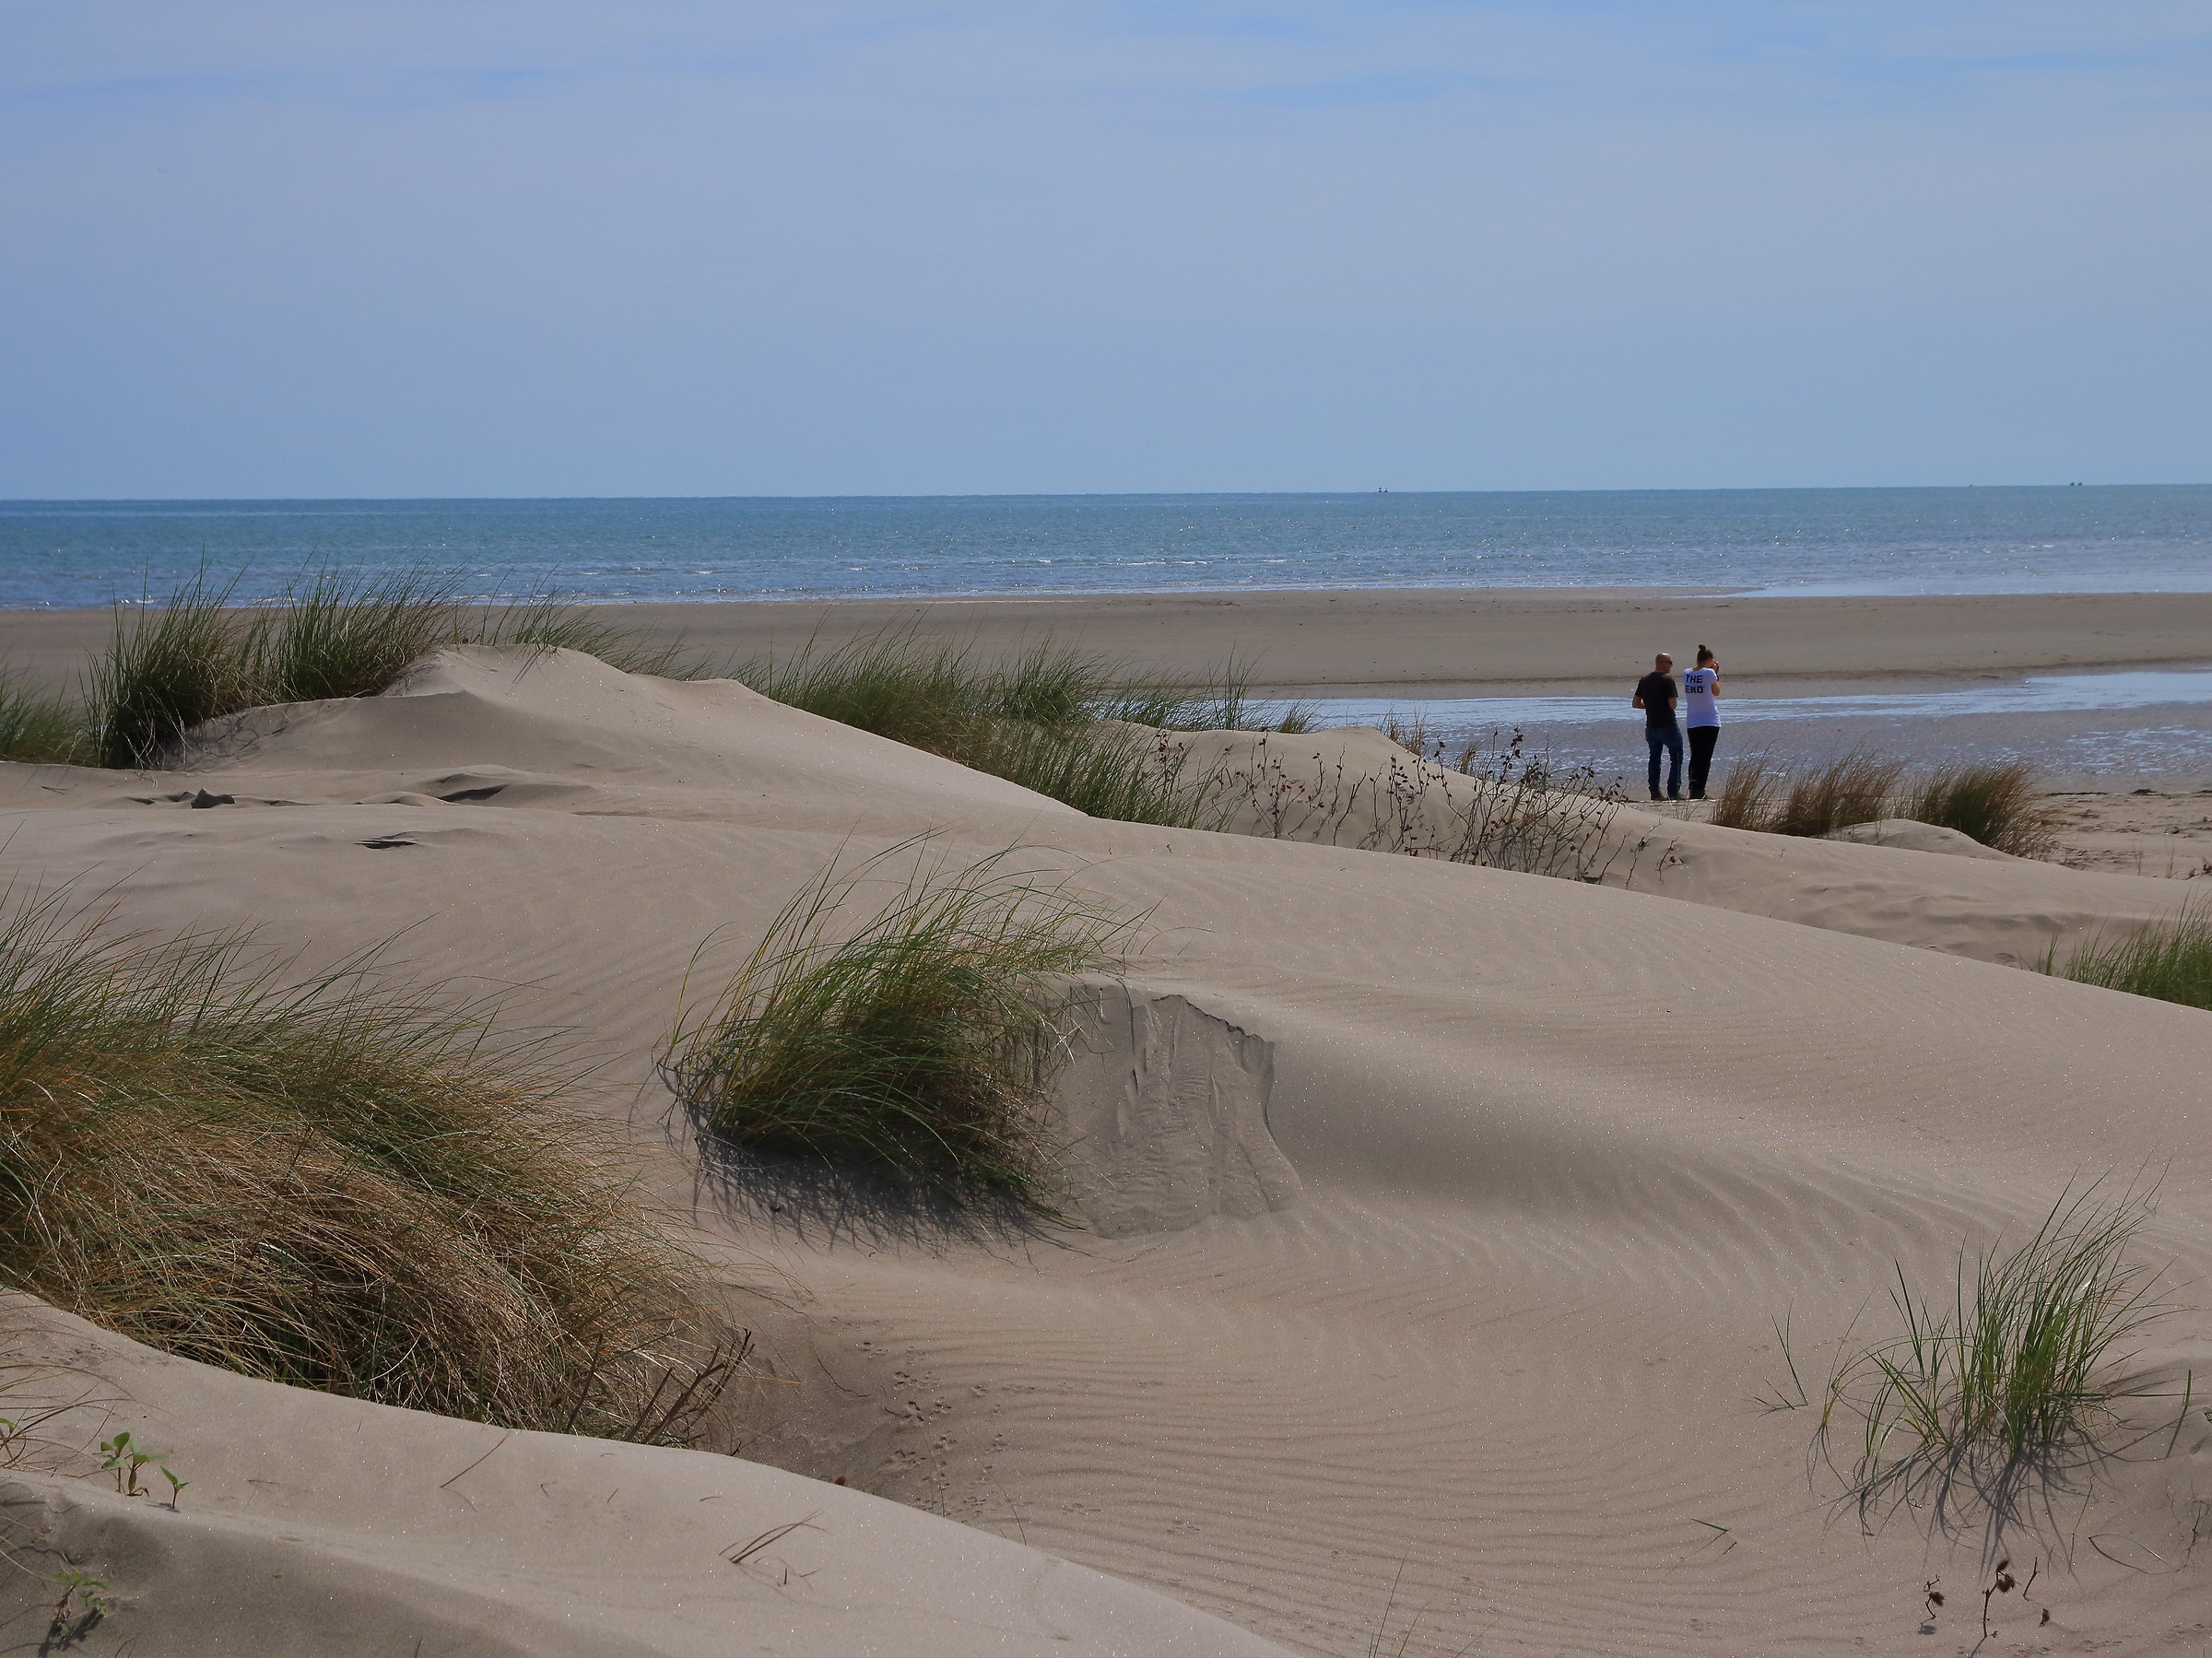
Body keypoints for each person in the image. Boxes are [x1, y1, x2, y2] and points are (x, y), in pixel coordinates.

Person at [1631, 652, 1682, 801]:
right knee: (1676, 758)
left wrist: (1650, 706)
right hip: (1668, 725)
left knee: (1654, 759)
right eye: (1669, 663)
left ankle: (1655, 791)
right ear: (1661, 663)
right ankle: (1673, 791)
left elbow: (1635, 703)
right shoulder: (1667, 680)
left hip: (1651, 726)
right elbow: (1673, 705)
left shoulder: (1644, 680)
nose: (1671, 666)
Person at [1681, 645, 1721, 800]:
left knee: (1696, 755)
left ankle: (1693, 787)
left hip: (1693, 720)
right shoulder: (1710, 673)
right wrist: (1716, 673)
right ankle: (1699, 790)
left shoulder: (1687, 673)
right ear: (1710, 660)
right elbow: (1716, 691)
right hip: (1709, 720)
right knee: (1705, 757)